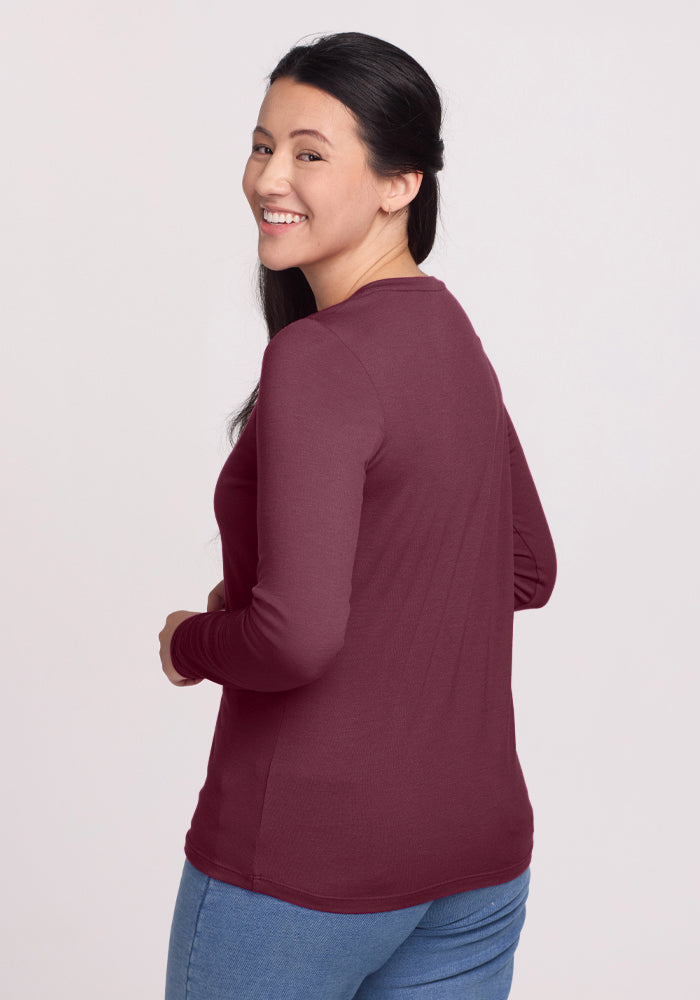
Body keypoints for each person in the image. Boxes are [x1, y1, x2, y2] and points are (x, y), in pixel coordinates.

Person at [158, 30, 557, 1000]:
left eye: (309, 152)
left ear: (400, 182)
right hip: (473, 859)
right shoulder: (446, 328)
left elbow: (294, 640)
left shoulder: (318, 358)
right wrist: (325, 575)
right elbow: (525, 567)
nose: (268, 179)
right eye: (261, 146)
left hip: (304, 867)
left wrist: (197, 639)